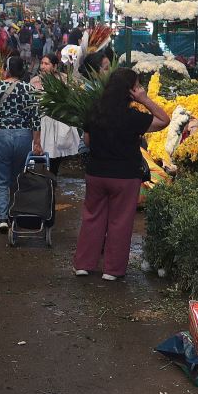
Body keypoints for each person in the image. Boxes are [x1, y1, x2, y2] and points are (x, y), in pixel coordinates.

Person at [72, 68, 168, 282]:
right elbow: (164, 120)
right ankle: (112, 270)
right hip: (125, 177)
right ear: (130, 91)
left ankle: (83, 265)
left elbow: (87, 142)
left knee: (92, 218)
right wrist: (144, 100)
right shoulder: (133, 117)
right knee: (120, 222)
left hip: (96, 173)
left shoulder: (94, 110)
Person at [0, 57, 44, 232]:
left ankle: (2, 219)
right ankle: (15, 213)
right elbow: (36, 118)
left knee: (0, 179)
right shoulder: (29, 89)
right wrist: (37, 143)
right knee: (17, 177)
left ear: (6, 69)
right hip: (23, 136)